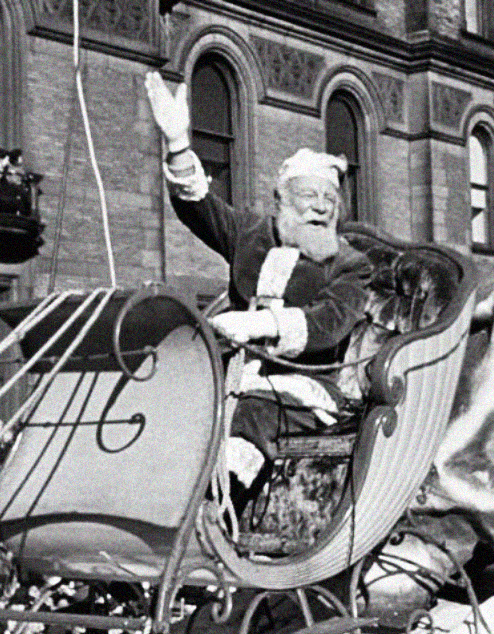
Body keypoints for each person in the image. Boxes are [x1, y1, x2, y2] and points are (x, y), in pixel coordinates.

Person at [144, 72, 372, 489]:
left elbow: (330, 322)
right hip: (232, 376)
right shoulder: (250, 232)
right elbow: (199, 207)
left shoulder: (351, 263)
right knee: (171, 404)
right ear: (282, 200)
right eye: (309, 197)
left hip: (306, 392)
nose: (320, 209)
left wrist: (260, 325)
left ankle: (221, 516)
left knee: (251, 413)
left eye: (329, 200)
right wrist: (178, 144)